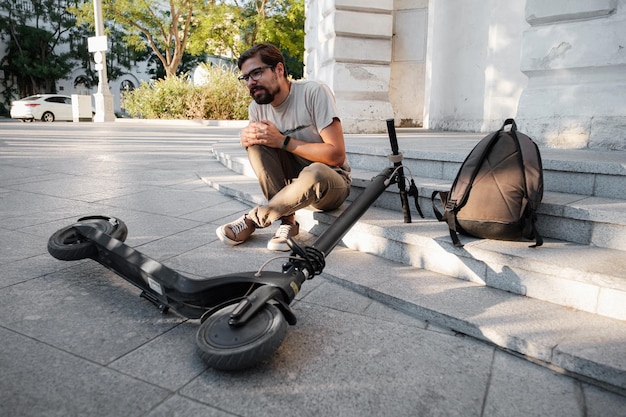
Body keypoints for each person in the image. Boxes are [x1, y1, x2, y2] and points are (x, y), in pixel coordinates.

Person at [216, 43, 351, 251]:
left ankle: (254, 219)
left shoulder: (314, 92)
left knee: (315, 171)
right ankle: (288, 222)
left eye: (257, 73)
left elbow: (337, 155)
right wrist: (247, 138)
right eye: (246, 78)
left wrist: (282, 141)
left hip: (330, 182)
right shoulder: (257, 109)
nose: (251, 82)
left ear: (279, 70)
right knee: (256, 144)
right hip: (291, 187)